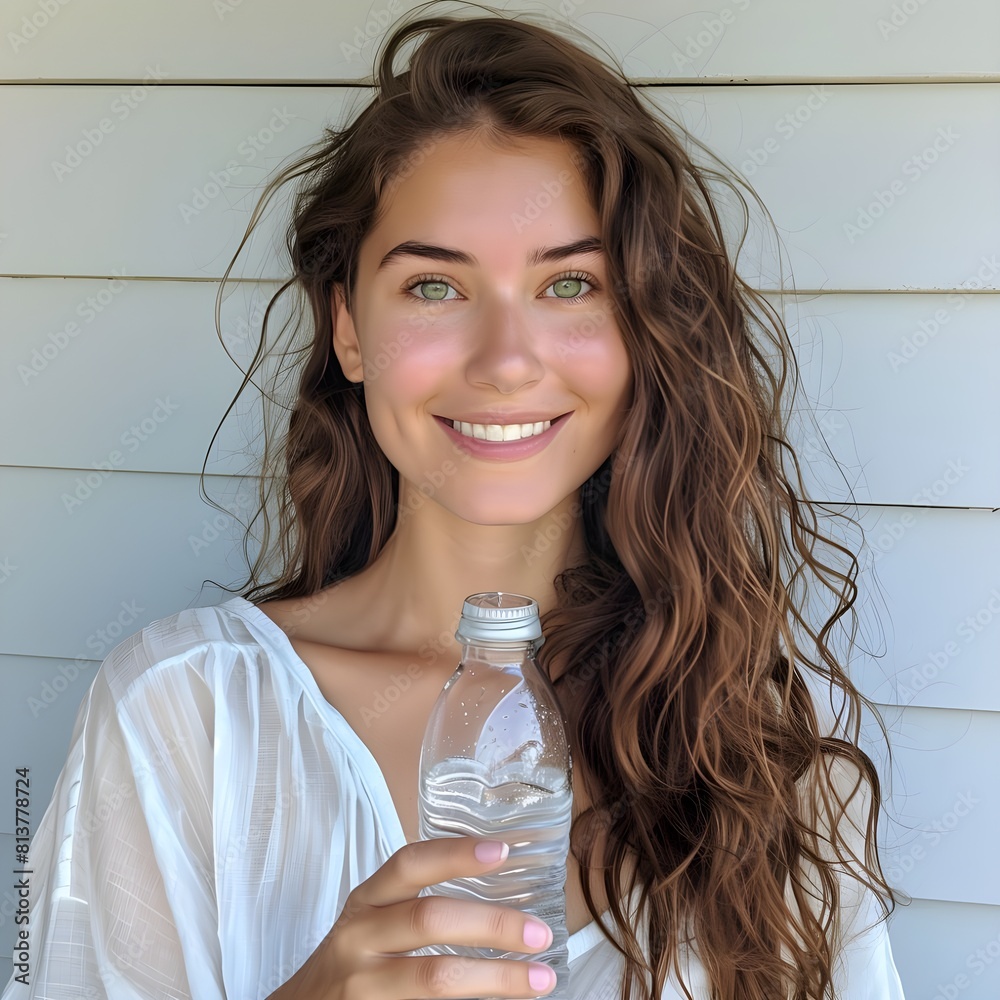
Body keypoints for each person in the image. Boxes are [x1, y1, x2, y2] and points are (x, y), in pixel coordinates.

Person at [4, 5, 906, 999]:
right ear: (348, 329)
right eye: (434, 287)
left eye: (570, 286)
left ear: (642, 328)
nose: (506, 361)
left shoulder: (753, 734)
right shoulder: (184, 714)